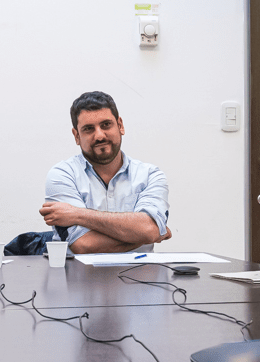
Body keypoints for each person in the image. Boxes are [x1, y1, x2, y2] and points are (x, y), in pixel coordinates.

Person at [39, 91, 170, 254]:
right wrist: (145, 235)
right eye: (88, 129)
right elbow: (83, 245)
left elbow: (148, 229)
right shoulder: (62, 175)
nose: (100, 136)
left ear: (120, 125)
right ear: (77, 136)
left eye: (106, 125)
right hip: (79, 271)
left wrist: (78, 214)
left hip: (141, 270)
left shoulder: (150, 175)